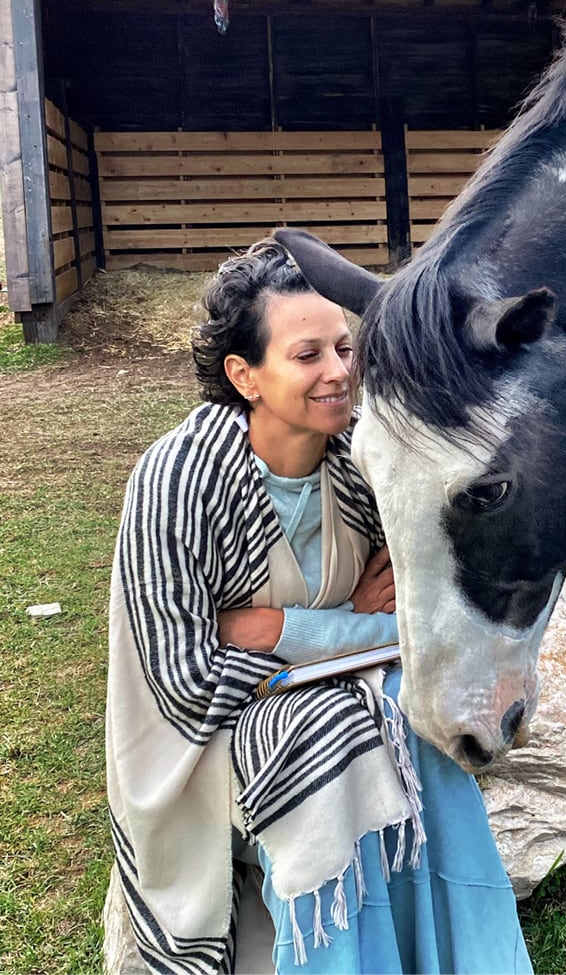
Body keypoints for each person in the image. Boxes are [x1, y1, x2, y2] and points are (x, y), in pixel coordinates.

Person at [105, 238, 533, 974]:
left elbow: (416, 621)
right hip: (198, 749)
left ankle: (459, 955)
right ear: (245, 375)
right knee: (332, 730)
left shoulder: (363, 465)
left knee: (411, 710)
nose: (340, 371)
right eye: (308, 356)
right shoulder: (174, 482)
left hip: (311, 692)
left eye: (344, 345)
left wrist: (279, 628)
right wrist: (347, 629)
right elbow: (186, 682)